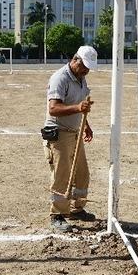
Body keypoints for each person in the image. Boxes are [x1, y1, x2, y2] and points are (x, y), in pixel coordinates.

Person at [44, 46, 97, 231]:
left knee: (82, 174)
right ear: (75, 60)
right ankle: (57, 215)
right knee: (62, 174)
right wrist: (78, 108)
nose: (86, 71)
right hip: (59, 133)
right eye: (84, 67)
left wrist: (86, 124)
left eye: (88, 68)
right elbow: (53, 108)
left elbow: (80, 105)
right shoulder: (60, 78)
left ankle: (76, 209)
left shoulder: (81, 78)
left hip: (75, 132)